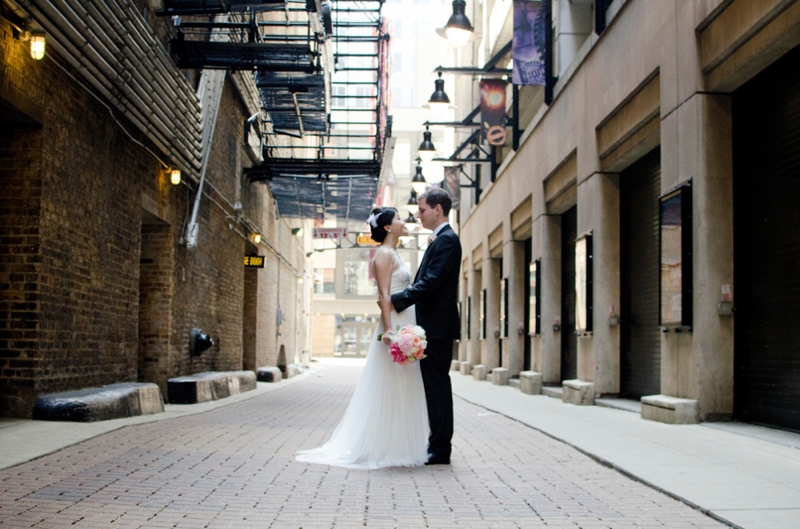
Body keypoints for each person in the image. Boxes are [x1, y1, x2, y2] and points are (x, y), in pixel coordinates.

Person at [296, 207, 429, 469]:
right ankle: (384, 447)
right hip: (396, 324)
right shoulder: (383, 255)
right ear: (388, 227)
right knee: (391, 385)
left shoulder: (394, 253)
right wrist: (390, 333)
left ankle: (401, 445)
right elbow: (383, 296)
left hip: (407, 321)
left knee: (405, 385)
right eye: (399, 219)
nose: (404, 222)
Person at [392, 187, 461, 465]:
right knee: (434, 386)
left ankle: (440, 449)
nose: (418, 215)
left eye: (421, 210)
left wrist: (398, 300)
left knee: (437, 387)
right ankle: (437, 445)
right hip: (433, 325)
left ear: (438, 210)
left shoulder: (447, 240)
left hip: (438, 328)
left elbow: (430, 282)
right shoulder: (440, 238)